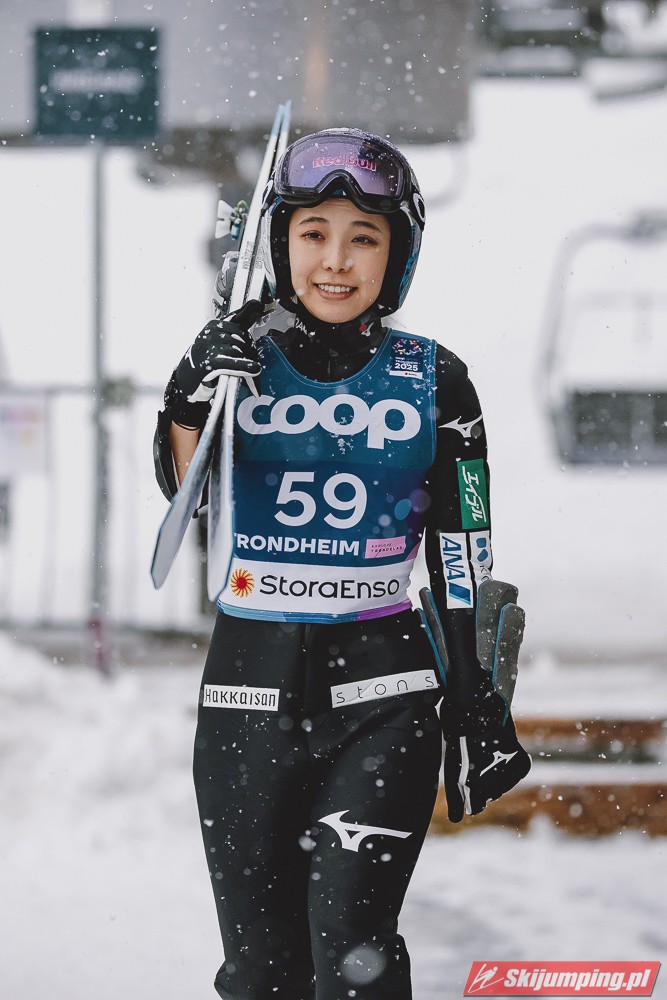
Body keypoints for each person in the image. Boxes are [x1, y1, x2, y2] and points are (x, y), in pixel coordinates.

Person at [154, 129, 530, 1000]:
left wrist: (475, 695)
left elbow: (462, 549)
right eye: (313, 233)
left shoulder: (436, 378)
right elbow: (182, 496)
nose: (335, 260)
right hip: (247, 698)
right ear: (278, 244)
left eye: (364, 237)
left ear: (398, 255)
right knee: (260, 971)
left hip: (383, 699)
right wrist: (190, 390)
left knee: (355, 953)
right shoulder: (236, 363)